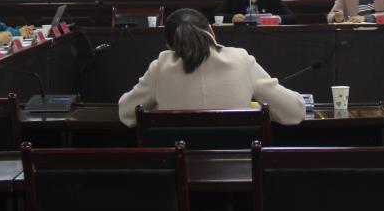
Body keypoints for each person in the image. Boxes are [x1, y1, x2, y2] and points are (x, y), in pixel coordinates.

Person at [118, 8, 306, 127]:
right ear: (212, 30)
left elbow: (126, 113)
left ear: (169, 46)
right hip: (239, 172)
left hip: (178, 174)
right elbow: (294, 112)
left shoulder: (160, 67)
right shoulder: (241, 60)